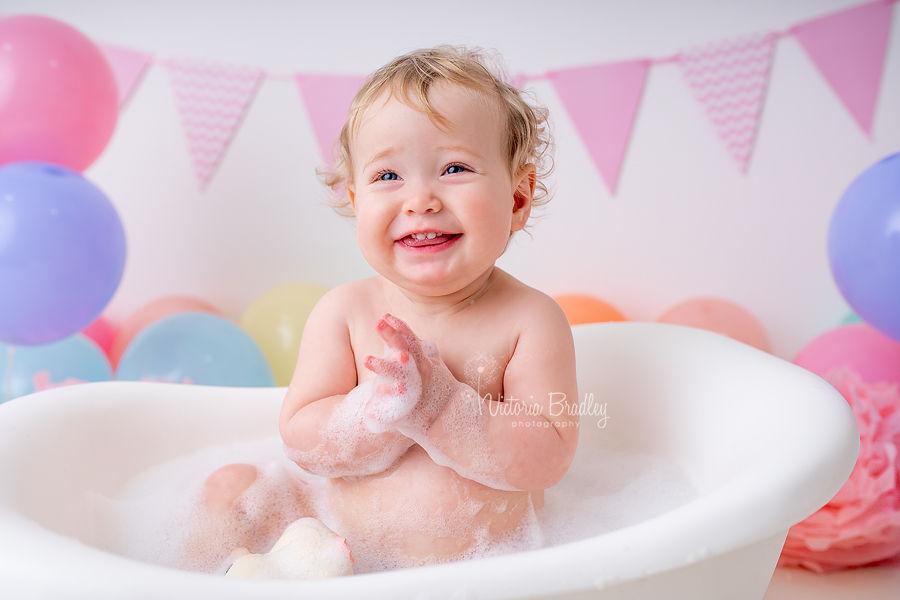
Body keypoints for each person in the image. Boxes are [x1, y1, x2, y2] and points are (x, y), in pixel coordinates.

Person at [205, 45, 579, 574]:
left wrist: (444, 409)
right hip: (332, 543)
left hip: (476, 569)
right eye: (388, 177)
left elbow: (549, 453)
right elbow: (302, 439)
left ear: (517, 199)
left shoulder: (529, 321)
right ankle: (209, 578)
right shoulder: (346, 312)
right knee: (227, 490)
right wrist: (372, 410)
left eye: (454, 167)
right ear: (357, 202)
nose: (420, 199)